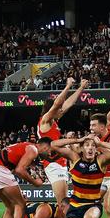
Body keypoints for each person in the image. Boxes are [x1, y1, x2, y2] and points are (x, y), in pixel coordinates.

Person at [37, 78, 88, 206]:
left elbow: (68, 103)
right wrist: (68, 86)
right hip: (53, 164)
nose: (61, 110)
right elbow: (57, 104)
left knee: (64, 201)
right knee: (63, 203)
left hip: (60, 162)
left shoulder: (53, 121)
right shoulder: (45, 120)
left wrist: (81, 88)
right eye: (59, 109)